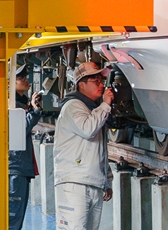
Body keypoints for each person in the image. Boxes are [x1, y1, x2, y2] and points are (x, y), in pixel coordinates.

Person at [53, 61, 115, 230]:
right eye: (96, 81)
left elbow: (99, 150)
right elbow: (88, 130)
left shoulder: (92, 110)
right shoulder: (73, 106)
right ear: (81, 84)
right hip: (74, 184)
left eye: (101, 80)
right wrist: (106, 104)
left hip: (92, 182)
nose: (101, 85)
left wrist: (106, 181)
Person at [9, 63, 42, 230]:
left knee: (16, 216)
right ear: (9, 83)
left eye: (26, 77)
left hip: (19, 168)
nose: (26, 80)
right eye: (21, 78)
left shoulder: (20, 104)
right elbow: (19, 130)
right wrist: (34, 112)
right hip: (15, 169)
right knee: (12, 218)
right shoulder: (11, 105)